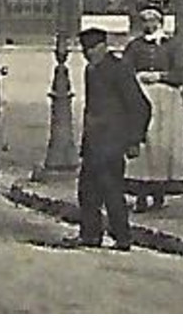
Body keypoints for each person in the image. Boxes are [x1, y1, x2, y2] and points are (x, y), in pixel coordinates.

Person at [56, 28, 150, 251]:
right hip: (94, 142)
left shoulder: (119, 69)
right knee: (87, 191)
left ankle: (122, 237)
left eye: (92, 50)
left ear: (102, 47)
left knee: (112, 190)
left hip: (113, 142)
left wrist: (134, 139)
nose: (88, 55)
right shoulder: (92, 70)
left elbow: (141, 106)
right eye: (85, 51)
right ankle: (90, 235)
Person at [122, 8, 183, 213]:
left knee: (162, 144)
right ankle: (141, 195)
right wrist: (136, 78)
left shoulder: (171, 46)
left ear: (160, 22)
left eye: (153, 20)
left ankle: (159, 193)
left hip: (165, 99)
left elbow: (182, 74)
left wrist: (160, 76)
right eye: (145, 20)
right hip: (141, 95)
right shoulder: (134, 46)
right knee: (144, 143)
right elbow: (124, 70)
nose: (148, 24)